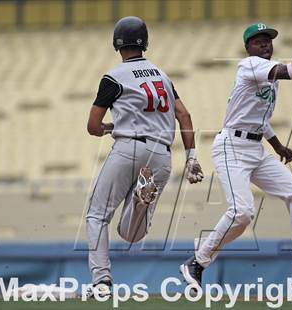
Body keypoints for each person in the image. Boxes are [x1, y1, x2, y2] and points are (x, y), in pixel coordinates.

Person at [180, 22, 292, 291]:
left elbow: (259, 118)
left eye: (268, 40)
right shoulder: (250, 65)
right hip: (231, 147)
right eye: (258, 40)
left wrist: (277, 146)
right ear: (248, 48)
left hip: (255, 149)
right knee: (242, 213)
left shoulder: (266, 73)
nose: (265, 44)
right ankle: (196, 262)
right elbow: (290, 72)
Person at [86, 16, 204, 298]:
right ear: (145, 43)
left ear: (117, 44)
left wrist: (110, 128)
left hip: (129, 147)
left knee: (97, 216)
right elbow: (184, 115)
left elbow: (92, 127)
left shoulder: (114, 77)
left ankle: (102, 281)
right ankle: (141, 201)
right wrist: (191, 157)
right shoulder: (162, 75)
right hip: (162, 154)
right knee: (132, 235)